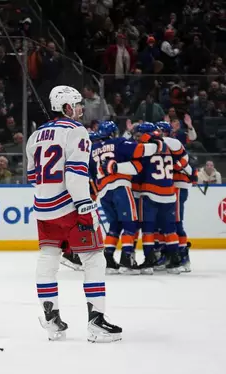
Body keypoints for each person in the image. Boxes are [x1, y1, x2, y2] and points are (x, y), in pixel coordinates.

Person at [26, 85, 122, 343]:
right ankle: (97, 321)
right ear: (67, 107)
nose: (81, 109)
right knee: (94, 259)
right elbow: (75, 173)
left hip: (43, 209)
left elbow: (32, 176)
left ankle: (51, 321)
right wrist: (84, 205)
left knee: (48, 259)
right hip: (70, 207)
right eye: (77, 105)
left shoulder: (35, 135)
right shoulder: (76, 130)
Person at [102, 122, 182, 274]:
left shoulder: (146, 148)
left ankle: (148, 260)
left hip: (149, 193)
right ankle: (175, 260)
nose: (137, 137)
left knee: (147, 229)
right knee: (169, 229)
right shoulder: (167, 147)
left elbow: (137, 169)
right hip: (169, 194)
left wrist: (116, 167)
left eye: (139, 135)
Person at [89, 121, 164, 274]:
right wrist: (157, 144)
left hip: (103, 192)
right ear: (113, 133)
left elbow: (90, 175)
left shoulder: (93, 149)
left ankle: (108, 260)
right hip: (120, 187)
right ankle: (127, 258)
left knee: (115, 226)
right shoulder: (118, 142)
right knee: (131, 224)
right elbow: (140, 150)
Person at [156, 121, 194, 273]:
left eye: (158, 132)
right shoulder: (164, 145)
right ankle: (167, 253)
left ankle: (183, 255)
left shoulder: (172, 142)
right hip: (169, 187)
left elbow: (185, 166)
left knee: (176, 221)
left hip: (178, 186)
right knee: (164, 222)